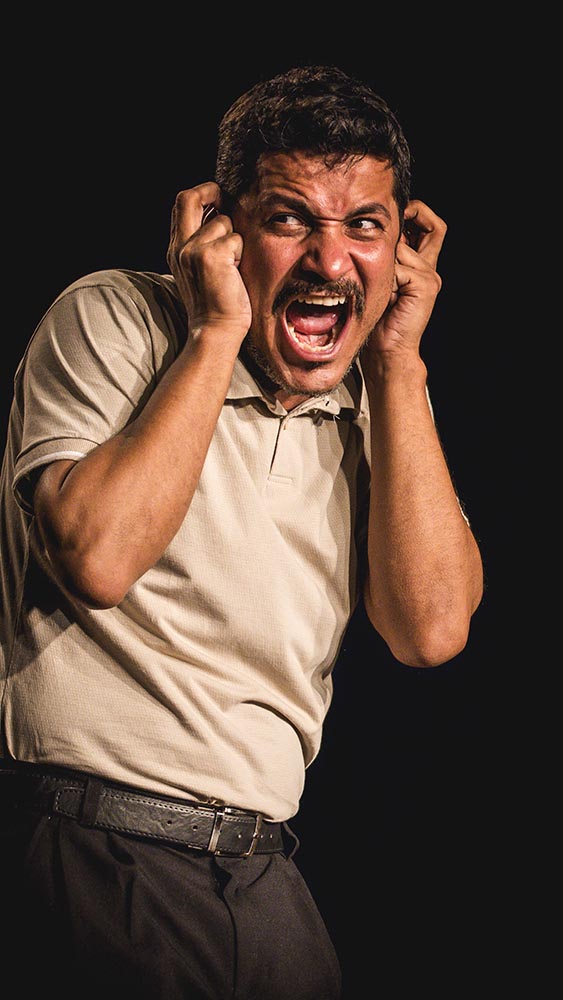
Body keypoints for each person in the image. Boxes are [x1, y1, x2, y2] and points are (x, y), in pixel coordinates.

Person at [0, 64, 483, 999]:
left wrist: (397, 364)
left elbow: (430, 631)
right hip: (94, 847)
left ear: (401, 247)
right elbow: (96, 558)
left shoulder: (379, 398)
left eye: (364, 226)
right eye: (291, 218)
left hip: (261, 874)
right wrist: (215, 329)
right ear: (221, 227)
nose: (331, 263)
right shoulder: (115, 316)